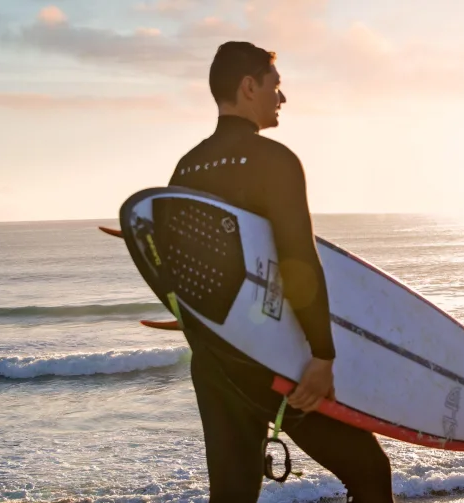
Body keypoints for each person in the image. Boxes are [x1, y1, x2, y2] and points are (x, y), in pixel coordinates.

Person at [167, 41, 395, 502]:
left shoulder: (185, 170)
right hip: (275, 360)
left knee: (232, 495)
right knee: (369, 471)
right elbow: (297, 260)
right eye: (276, 85)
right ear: (249, 86)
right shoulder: (274, 160)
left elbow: (180, 274)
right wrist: (322, 356)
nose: (282, 98)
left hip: (215, 362)